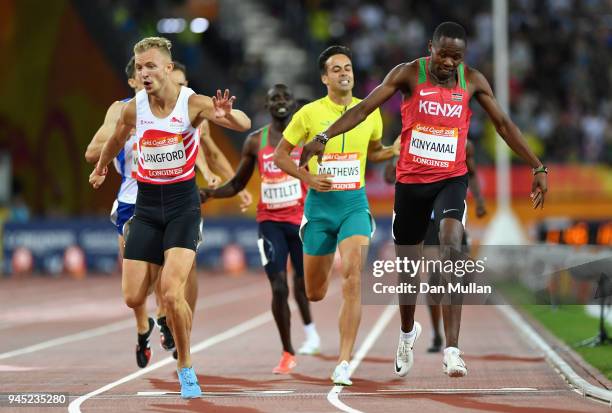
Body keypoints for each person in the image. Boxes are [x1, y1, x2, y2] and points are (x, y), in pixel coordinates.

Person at [299, 22, 547, 378]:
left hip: (451, 178)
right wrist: (324, 135)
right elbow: (363, 109)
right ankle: (406, 332)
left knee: (451, 244)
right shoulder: (408, 74)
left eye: (457, 57)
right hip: (411, 182)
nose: (449, 62)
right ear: (431, 47)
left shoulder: (472, 80)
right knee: (409, 269)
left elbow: (504, 125)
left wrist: (538, 166)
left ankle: (452, 349)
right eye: (443, 54)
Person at [89, 36, 251, 398]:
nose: (144, 73)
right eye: (139, 67)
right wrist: (101, 166)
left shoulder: (191, 103)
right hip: (145, 207)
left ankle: (186, 366)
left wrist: (228, 116)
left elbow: (242, 121)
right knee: (133, 296)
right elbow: (115, 140)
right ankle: (149, 324)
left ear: (167, 68)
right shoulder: (133, 109)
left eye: (150, 66)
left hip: (182, 206)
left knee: (171, 291)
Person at [273, 46, 399, 386]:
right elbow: (280, 155)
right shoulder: (309, 114)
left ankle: (344, 361)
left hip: (354, 204)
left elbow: (374, 152)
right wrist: (307, 178)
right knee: (314, 291)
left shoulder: (369, 111)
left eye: (348, 67)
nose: (345, 72)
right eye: (336, 68)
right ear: (324, 77)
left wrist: (395, 150)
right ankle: (319, 279)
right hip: (319, 206)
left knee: (354, 276)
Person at [200, 84, 320, 375]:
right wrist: (210, 193)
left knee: (306, 287)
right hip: (270, 223)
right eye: (274, 99)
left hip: (303, 222)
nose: (280, 102)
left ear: (294, 104)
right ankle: (288, 351)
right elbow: (239, 183)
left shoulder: (308, 139)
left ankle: (311, 330)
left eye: (285, 97)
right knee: (279, 286)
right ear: (267, 106)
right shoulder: (256, 141)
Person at [384, 139, 487, 352]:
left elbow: (473, 173)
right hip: (427, 220)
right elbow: (388, 176)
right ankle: (438, 335)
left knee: (459, 277)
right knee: (435, 275)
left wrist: (479, 200)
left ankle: (443, 328)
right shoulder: (413, 136)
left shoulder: (464, 143)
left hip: (450, 216)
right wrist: (395, 158)